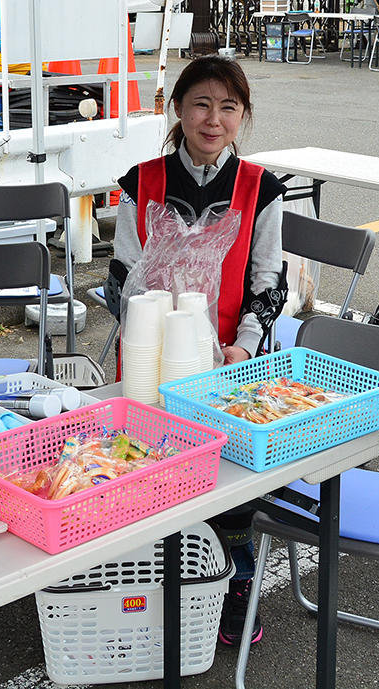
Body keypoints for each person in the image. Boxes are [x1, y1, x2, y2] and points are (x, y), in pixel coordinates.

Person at [108, 55, 287, 646]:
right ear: (178, 110)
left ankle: (235, 577)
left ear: (243, 116)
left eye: (228, 107)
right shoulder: (142, 181)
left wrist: (244, 344)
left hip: (233, 359)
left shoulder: (261, 188)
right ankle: (154, 572)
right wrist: (146, 337)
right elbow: (122, 278)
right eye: (201, 105)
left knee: (225, 477)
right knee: (148, 461)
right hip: (149, 356)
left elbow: (269, 283)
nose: (214, 119)